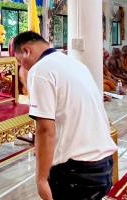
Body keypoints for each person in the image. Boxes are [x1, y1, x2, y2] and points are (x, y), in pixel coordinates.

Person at [13, 31, 117, 200]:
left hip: (76, 172)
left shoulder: (40, 70)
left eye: (20, 61)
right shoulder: (75, 63)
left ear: (26, 51)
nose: (22, 66)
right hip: (103, 165)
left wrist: (41, 179)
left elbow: (46, 130)